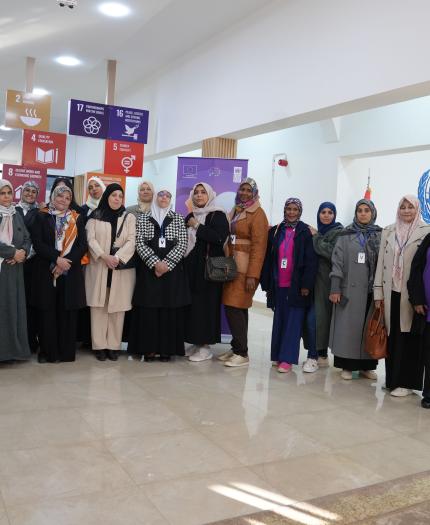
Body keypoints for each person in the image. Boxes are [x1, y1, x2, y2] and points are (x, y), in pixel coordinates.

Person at [374, 195, 430, 396]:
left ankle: (407, 383)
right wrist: (378, 291)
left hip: (413, 294)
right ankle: (392, 380)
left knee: (410, 338)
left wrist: (421, 297)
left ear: (417, 209)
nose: (406, 211)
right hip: (391, 292)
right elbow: (381, 262)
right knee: (392, 337)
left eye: (410, 207)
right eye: (403, 207)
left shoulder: (426, 231)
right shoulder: (388, 230)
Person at [128, 189, 190, 361]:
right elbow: (139, 242)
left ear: (171, 200)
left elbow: (182, 243)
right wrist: (155, 263)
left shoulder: (177, 218)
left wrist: (166, 265)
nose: (164, 198)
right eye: (161, 195)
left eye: (167, 196)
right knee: (149, 310)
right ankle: (149, 349)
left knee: (169, 311)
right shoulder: (144, 217)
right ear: (156, 198)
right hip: (149, 272)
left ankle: (166, 350)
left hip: (172, 273)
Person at [30, 185, 87, 363]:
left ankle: (65, 352)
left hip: (69, 273)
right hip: (47, 271)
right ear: (53, 197)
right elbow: (38, 244)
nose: (63, 200)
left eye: (67, 198)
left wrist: (65, 263)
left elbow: (82, 246)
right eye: (60, 196)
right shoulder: (42, 216)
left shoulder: (76, 219)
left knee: (66, 312)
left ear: (71, 201)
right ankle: (47, 352)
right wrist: (56, 259)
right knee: (48, 312)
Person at [261, 198, 317, 373]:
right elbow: (269, 258)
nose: (291, 212)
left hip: (297, 286)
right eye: (288, 209)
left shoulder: (305, 232)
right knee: (279, 321)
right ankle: (277, 355)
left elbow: (311, 261)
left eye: (295, 209)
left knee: (293, 323)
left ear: (300, 211)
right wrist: (268, 283)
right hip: (279, 284)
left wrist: (306, 285)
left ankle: (287, 359)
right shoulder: (277, 230)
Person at [329, 199, 382, 380]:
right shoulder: (345, 234)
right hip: (349, 291)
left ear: (373, 213)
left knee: (369, 328)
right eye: (359, 210)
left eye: (367, 210)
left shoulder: (379, 235)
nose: (363, 213)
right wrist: (335, 288)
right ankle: (346, 366)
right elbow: (337, 262)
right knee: (347, 329)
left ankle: (366, 367)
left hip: (371, 291)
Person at [85, 183, 136, 361]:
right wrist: (103, 256)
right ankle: (99, 346)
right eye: (114, 195)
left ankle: (113, 346)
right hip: (99, 267)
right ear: (107, 196)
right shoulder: (95, 215)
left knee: (117, 308)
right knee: (98, 308)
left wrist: (117, 258)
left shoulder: (128, 217)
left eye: (120, 196)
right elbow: (90, 239)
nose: (117, 198)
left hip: (119, 268)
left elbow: (131, 240)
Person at [221, 178, 268, 367]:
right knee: (237, 308)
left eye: (249, 190)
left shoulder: (258, 214)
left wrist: (253, 275)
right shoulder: (237, 210)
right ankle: (236, 347)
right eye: (242, 189)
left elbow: (259, 247)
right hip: (231, 266)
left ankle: (242, 353)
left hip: (245, 269)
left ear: (254, 192)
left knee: (234, 307)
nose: (245, 193)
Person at [183, 182, 229, 362]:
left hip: (209, 270)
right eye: (196, 193)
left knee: (206, 307)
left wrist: (196, 226)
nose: (199, 196)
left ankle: (205, 346)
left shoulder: (217, 214)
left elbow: (218, 238)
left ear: (209, 195)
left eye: (203, 192)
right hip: (191, 268)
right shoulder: (191, 215)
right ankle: (196, 342)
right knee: (194, 307)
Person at [304, 202, 343, 371]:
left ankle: (315, 356)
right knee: (314, 320)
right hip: (311, 283)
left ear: (334, 215)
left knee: (316, 319)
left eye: (330, 212)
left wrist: (316, 237)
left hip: (326, 284)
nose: (326, 215)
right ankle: (320, 354)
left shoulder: (339, 232)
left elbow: (331, 252)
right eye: (323, 212)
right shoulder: (317, 231)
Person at [0, 180, 31, 363]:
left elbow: (27, 238)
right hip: (3, 269)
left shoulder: (16, 214)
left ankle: (12, 351)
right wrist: (12, 252)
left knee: (13, 308)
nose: (6, 197)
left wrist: (23, 253)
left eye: (9, 193)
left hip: (15, 269)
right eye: (2, 193)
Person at [15, 180, 41, 352]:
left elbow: (40, 238)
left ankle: (30, 342)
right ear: (21, 191)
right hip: (12, 263)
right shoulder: (12, 210)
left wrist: (26, 254)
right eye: (27, 190)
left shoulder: (40, 213)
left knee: (31, 304)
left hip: (33, 264)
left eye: (33, 191)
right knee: (15, 301)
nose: (30, 194)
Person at [407, 229, 430, 408]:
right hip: (427, 309)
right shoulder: (429, 238)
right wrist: (417, 299)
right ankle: (429, 394)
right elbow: (416, 269)